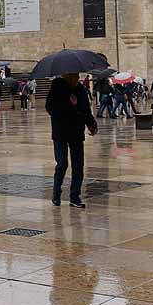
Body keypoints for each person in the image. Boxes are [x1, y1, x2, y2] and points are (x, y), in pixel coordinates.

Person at [46, 74, 97, 209]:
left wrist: (91, 124)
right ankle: (56, 193)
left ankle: (75, 197)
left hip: (76, 132)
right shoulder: (56, 88)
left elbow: (85, 109)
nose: (76, 79)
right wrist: (67, 103)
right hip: (60, 132)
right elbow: (50, 109)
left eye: (77, 76)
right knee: (62, 163)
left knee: (78, 166)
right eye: (73, 76)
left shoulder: (80, 90)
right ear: (66, 77)